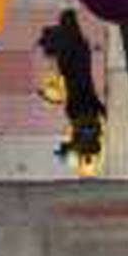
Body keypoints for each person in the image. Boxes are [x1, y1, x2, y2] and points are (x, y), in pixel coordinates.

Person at [37, 9, 107, 177]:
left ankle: (84, 146)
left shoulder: (77, 42)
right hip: (78, 98)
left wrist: (101, 110)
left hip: (82, 96)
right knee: (78, 83)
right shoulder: (76, 43)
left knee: (80, 84)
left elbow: (92, 97)